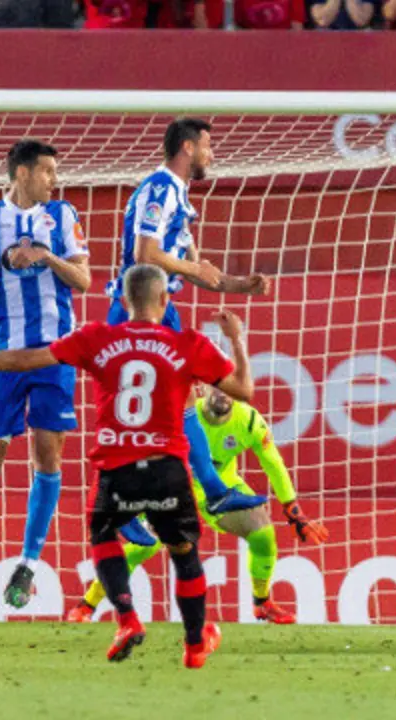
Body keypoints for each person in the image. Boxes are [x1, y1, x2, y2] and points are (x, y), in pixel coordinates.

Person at [0, 264, 251, 669]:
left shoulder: (98, 338)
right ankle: (194, 645)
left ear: (125, 302)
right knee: (184, 553)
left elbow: (25, 359)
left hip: (117, 472)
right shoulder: (187, 343)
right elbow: (243, 390)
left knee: (102, 535)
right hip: (167, 468)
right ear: (165, 302)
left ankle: (127, 619)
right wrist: (236, 339)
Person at [107, 116, 269, 517]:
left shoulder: (179, 199)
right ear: (188, 148)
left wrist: (241, 285)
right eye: (208, 147)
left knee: (181, 403)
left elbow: (200, 272)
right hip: (138, 308)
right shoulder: (160, 188)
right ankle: (117, 503)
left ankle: (213, 490)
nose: (212, 156)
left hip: (162, 307)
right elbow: (146, 254)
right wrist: (195, 270)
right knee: (137, 409)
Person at [67, 388, 327, 625]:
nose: (224, 394)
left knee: (263, 533)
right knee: (140, 549)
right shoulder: (183, 417)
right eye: (218, 386)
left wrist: (293, 510)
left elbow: (274, 464)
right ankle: (86, 605)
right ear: (204, 387)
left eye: (229, 388)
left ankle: (262, 603)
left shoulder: (248, 421)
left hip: (222, 492)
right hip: (176, 492)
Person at [0, 139, 92, 609]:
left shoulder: (62, 216)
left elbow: (83, 280)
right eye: (45, 172)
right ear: (20, 173)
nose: (53, 180)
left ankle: (28, 565)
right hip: (3, 351)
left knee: (47, 454)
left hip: (55, 353)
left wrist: (46, 256)